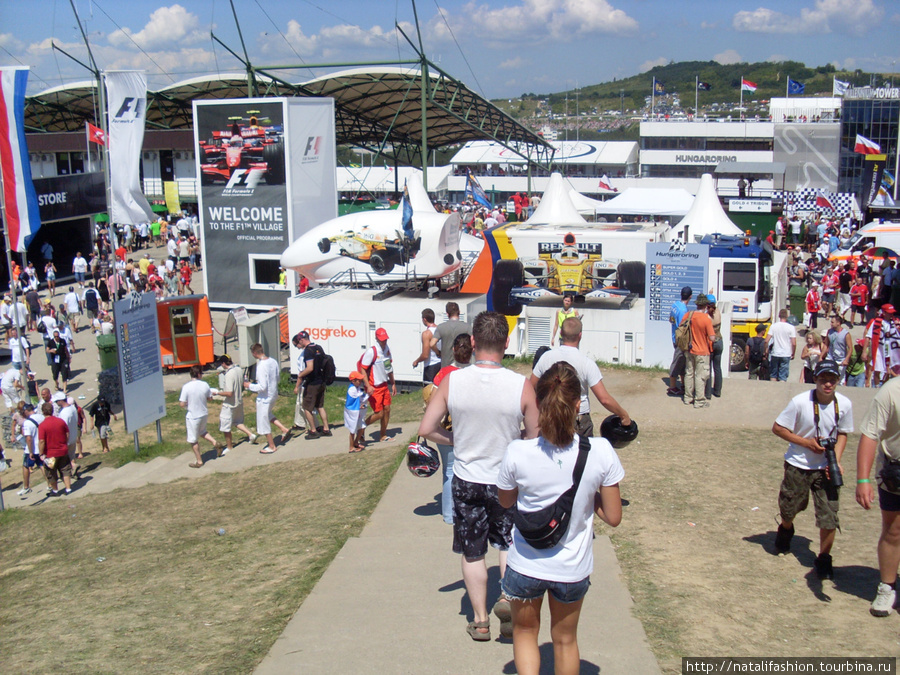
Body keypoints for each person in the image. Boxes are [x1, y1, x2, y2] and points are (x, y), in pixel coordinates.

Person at [419, 311, 539, 642]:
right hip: (506, 479)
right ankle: (506, 599)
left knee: (473, 551)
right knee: (507, 543)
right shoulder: (521, 386)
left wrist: (456, 440)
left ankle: (481, 620)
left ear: (473, 342)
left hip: (467, 477)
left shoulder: (452, 382)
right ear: (507, 343)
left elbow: (427, 428)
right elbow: (534, 436)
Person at [497, 362, 624, 673]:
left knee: (526, 633)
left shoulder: (517, 452)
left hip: (526, 562)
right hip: (572, 567)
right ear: (578, 405)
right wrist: (587, 495)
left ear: (539, 404)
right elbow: (614, 516)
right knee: (565, 639)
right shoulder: (601, 451)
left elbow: (505, 501)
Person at [772, 360, 853, 579]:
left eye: (832, 380)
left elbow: (844, 433)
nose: (828, 384)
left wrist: (836, 460)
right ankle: (786, 529)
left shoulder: (844, 404)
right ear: (815, 379)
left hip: (826, 467)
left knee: (829, 514)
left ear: (838, 381)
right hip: (799, 463)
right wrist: (806, 442)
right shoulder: (800, 402)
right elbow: (778, 428)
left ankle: (824, 559)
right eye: (823, 379)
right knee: (790, 507)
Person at [531, 317, 631, 436]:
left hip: (551, 415)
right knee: (582, 453)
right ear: (580, 335)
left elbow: (530, 386)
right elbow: (604, 399)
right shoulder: (587, 363)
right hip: (577, 418)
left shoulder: (546, 358)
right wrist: (623, 415)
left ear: (561, 333)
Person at [855, 376, 900, 615]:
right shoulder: (891, 391)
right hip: (896, 471)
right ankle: (887, 586)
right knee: (893, 530)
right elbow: (871, 434)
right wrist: (863, 479)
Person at [428, 333, 474, 525]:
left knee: (449, 472)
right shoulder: (477, 373)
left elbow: (431, 398)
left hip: (447, 428)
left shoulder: (444, 373)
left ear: (453, 350)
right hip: (471, 429)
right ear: (472, 351)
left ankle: (449, 514)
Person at [244, 343, 293, 454]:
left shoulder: (261, 366)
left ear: (255, 353)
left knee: (263, 420)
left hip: (265, 397)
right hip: (273, 392)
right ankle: (283, 429)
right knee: (268, 414)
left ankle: (271, 446)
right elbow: (277, 377)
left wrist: (249, 386)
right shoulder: (273, 361)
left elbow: (262, 386)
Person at [179, 365, 223, 468]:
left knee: (193, 439)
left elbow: (182, 403)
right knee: (202, 431)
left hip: (193, 416)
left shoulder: (186, 387)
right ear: (198, 374)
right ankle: (215, 442)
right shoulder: (205, 385)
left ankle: (199, 461)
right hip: (203, 413)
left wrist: (187, 403)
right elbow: (210, 398)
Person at [214, 354, 258, 452]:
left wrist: (217, 392)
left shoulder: (229, 374)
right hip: (239, 401)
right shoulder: (238, 370)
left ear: (224, 363)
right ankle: (251, 435)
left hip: (230, 404)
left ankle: (229, 447)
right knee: (237, 422)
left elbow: (229, 393)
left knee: (225, 426)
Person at [292, 331, 331, 439]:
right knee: (320, 406)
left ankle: (313, 431)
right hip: (321, 382)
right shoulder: (318, 347)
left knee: (307, 408)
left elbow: (310, 367)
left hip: (312, 383)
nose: (299, 344)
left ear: (301, 340)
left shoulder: (308, 351)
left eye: (299, 342)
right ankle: (326, 429)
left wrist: (300, 376)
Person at [361, 328, 398, 442]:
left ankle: (383, 435)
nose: (384, 341)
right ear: (377, 339)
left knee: (387, 409)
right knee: (379, 414)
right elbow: (363, 369)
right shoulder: (372, 351)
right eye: (382, 339)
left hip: (384, 385)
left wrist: (393, 383)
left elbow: (388, 367)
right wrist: (368, 385)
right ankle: (361, 428)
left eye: (385, 339)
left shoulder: (387, 350)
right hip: (374, 386)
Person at [681, 294, 715, 408]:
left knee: (689, 373)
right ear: (705, 306)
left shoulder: (688, 315)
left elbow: (681, 328)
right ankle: (699, 400)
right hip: (702, 351)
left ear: (696, 305)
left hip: (689, 349)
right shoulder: (706, 319)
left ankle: (687, 397)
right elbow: (712, 338)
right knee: (700, 376)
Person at [39, 401, 73, 495]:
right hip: (62, 450)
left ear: (43, 412)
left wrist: (41, 452)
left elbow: (42, 441)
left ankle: (55, 490)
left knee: (51, 472)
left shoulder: (42, 425)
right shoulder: (60, 421)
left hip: (50, 454)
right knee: (65, 469)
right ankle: (68, 488)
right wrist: (64, 443)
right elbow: (67, 433)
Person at [667, 286, 691, 396]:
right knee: (677, 362)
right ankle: (672, 387)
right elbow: (683, 328)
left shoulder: (675, 305)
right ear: (690, 296)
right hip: (680, 340)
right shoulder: (683, 310)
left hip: (674, 336)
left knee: (682, 362)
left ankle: (683, 384)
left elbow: (670, 319)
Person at [430, 302, 470, 369]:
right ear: (459, 312)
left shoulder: (441, 327)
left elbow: (431, 344)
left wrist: (438, 353)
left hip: (446, 365)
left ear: (447, 314)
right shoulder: (467, 327)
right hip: (462, 366)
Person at [412, 309, 441, 384]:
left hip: (431, 366)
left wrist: (416, 361)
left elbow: (425, 355)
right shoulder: (440, 329)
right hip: (441, 363)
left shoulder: (427, 333)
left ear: (424, 319)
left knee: (429, 393)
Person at [767, 309, 797, 382]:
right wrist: (793, 353)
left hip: (775, 353)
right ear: (787, 316)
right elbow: (794, 343)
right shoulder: (791, 327)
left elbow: (766, 340)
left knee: (773, 374)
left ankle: (772, 389)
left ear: (779, 316)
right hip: (786, 354)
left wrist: (766, 350)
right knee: (783, 376)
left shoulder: (773, 326)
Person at [344, 371, 369, 453]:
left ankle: (355, 442)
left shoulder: (357, 388)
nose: (360, 382)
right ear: (353, 381)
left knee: (361, 427)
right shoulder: (352, 389)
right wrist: (369, 394)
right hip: (352, 412)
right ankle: (351, 447)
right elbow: (358, 399)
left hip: (357, 410)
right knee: (352, 430)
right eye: (359, 380)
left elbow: (361, 397)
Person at [704, 295, 723, 400]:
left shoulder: (707, 317)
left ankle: (707, 393)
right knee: (717, 368)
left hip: (710, 343)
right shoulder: (718, 313)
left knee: (708, 369)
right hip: (719, 341)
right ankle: (718, 391)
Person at [824, 315, 852, 382]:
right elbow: (826, 345)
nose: (831, 324)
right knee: (829, 376)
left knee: (839, 379)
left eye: (832, 322)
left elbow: (850, 348)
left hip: (841, 359)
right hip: (830, 357)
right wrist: (821, 356)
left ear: (838, 323)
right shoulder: (829, 332)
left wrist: (846, 359)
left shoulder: (846, 334)